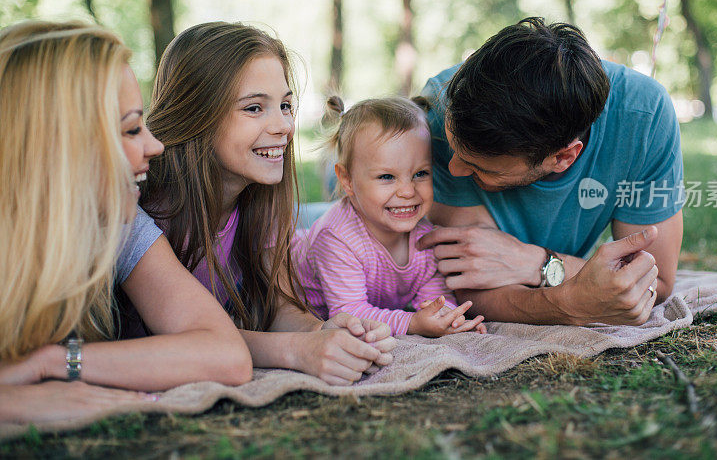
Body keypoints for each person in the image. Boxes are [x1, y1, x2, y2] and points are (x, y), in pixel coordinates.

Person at [0, 21, 252, 423]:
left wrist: (54, 362)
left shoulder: (118, 224)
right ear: (63, 146)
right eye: (132, 129)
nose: (155, 146)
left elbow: (226, 356)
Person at [141, 22, 396, 386]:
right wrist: (298, 349)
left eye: (286, 105)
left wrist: (323, 331)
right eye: (254, 108)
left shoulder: (257, 203)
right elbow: (192, 339)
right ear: (196, 115)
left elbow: (279, 306)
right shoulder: (151, 213)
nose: (284, 126)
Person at [417, 17, 684, 326]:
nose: (453, 169)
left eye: (479, 166)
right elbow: (468, 286)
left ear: (563, 157)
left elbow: (655, 282)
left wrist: (536, 263)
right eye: (455, 150)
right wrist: (570, 302)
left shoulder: (645, 116)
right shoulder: (439, 110)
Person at [293, 96, 487, 337]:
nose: (407, 191)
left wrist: (452, 321)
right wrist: (413, 323)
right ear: (347, 180)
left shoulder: (425, 240)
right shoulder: (336, 238)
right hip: (278, 279)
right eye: (387, 177)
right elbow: (349, 313)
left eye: (420, 173)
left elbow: (435, 300)